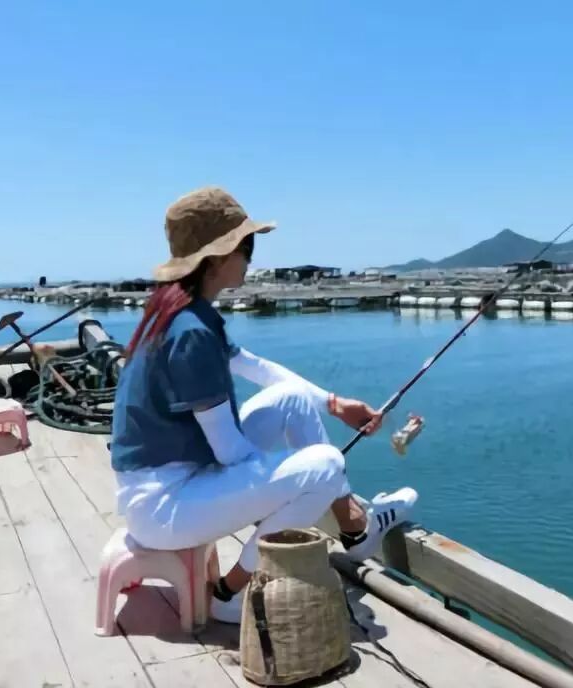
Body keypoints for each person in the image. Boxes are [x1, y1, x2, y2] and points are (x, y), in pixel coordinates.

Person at [110, 186, 418, 623]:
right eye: (247, 247)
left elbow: (257, 369)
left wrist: (334, 404)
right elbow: (230, 452)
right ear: (219, 257)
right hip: (166, 507)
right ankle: (228, 593)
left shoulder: (185, 314)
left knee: (293, 402)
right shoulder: (192, 331)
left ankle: (354, 528)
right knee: (325, 464)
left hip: (175, 481)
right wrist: (295, 484)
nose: (251, 259)